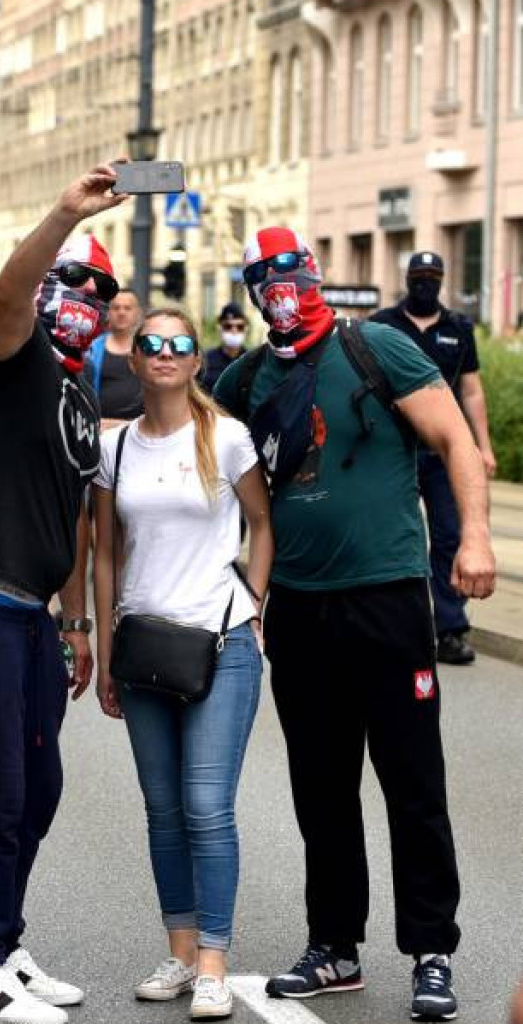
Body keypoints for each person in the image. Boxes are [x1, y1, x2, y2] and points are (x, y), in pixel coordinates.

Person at [214, 227, 495, 1022]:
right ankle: (335, 944)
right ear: (251, 292)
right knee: (322, 786)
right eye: (264, 281)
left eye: (292, 274)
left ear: (315, 275)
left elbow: (455, 439)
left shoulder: (376, 348)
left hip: (388, 597)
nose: (281, 290)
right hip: (299, 608)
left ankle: (431, 950)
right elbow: (197, 450)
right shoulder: (247, 377)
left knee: (412, 782)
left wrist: (473, 537)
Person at [0, 163, 127, 1024]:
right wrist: (63, 221)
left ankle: (4, 944)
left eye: (101, 289)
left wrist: (75, 621)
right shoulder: (12, 353)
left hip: (34, 617)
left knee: (37, 791)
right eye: (72, 283)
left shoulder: (77, 390)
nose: (86, 295)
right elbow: (7, 295)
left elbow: (77, 514)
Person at [92, 308, 271, 1020]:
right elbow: (104, 551)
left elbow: (262, 522)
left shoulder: (225, 438)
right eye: (150, 345)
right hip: (143, 647)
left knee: (205, 806)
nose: (164, 353)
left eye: (178, 344)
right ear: (133, 362)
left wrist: (253, 606)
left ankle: (215, 964)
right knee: (163, 811)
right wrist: (106, 649)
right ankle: (180, 949)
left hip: (221, 643)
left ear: (197, 361)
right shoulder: (117, 449)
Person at [370, 252, 496, 666]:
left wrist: (484, 446)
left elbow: (472, 390)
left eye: (432, 277)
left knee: (448, 536)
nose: (425, 283)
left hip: (444, 453)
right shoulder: (382, 325)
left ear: (442, 280)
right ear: (406, 279)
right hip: (394, 452)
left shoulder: (459, 328)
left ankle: (449, 628)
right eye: (418, 276)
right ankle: (391, 624)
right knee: (393, 538)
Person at [84, 286, 144, 428]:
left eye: (127, 308)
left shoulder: (150, 348)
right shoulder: (90, 349)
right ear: (108, 312)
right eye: (116, 308)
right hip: (100, 428)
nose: (121, 312)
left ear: (138, 313)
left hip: (141, 428)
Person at [201, 302, 249, 394]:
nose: (234, 331)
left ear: (246, 329)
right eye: (228, 326)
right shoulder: (206, 360)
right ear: (219, 328)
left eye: (239, 327)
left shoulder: (253, 360)